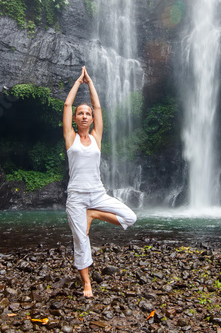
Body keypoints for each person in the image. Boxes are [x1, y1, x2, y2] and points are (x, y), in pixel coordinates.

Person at [63, 66, 137, 297]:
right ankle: (87, 283)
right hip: (76, 195)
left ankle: (93, 215)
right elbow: (66, 105)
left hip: (97, 193)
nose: (85, 115)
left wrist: (91, 83)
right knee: (80, 240)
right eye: (80, 113)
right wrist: (78, 82)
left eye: (87, 114)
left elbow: (98, 106)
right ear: (75, 118)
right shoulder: (70, 137)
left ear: (92, 119)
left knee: (130, 217)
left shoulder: (96, 137)